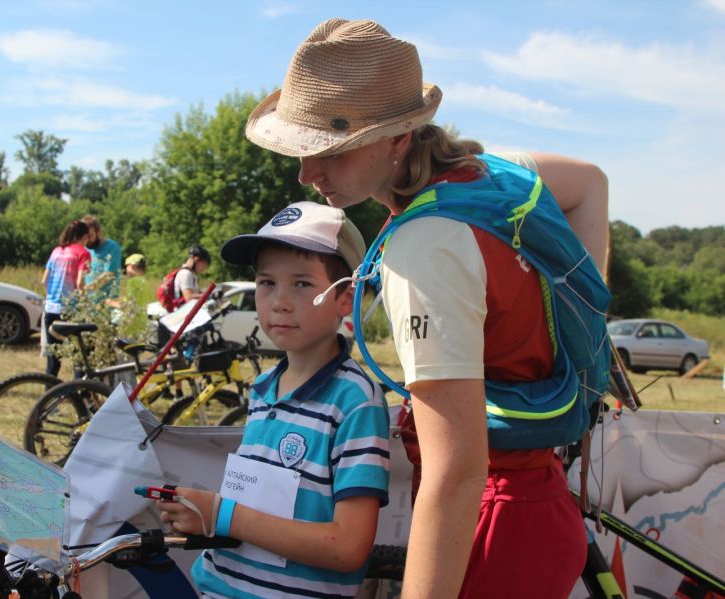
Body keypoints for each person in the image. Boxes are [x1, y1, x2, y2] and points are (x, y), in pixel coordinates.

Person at [244, 19, 610, 599]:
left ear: (396, 138)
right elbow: (590, 183)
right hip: (538, 504)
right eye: (303, 151)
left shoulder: (423, 247)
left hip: (489, 528)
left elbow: (456, 470)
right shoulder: (492, 174)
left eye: (331, 153)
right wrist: (583, 333)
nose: (307, 174)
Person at [157, 201, 390, 599]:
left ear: (344, 298)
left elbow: (348, 548)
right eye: (267, 283)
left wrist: (221, 514)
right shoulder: (263, 387)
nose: (279, 301)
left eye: (301, 283)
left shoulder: (356, 403)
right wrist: (203, 515)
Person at [41, 219, 91, 376]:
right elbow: (80, 282)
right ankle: (79, 392)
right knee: (79, 356)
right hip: (71, 310)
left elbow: (44, 281)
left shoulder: (56, 251)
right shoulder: (83, 253)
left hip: (51, 309)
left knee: (53, 357)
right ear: (84, 236)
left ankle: (49, 393)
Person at [81, 214, 122, 300]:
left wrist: (85, 290)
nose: (87, 240)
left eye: (90, 236)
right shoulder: (85, 249)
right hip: (88, 304)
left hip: (107, 303)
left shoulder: (112, 247)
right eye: (84, 237)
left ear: (98, 231)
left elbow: (109, 275)